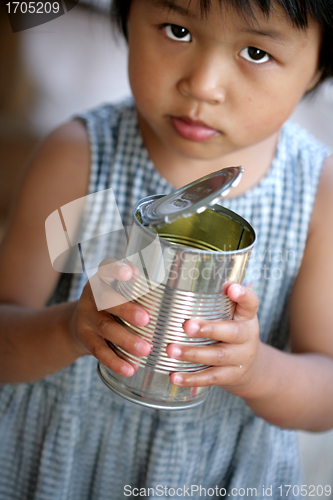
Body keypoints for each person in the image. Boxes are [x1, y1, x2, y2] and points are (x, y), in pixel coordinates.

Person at [1, 0, 333, 498]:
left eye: (256, 52)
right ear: (128, 20)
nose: (202, 84)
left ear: (317, 70)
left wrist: (255, 369)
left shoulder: (318, 195)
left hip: (220, 477)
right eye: (177, 29)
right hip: (60, 467)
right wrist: (70, 327)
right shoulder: (78, 161)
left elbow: (324, 393)